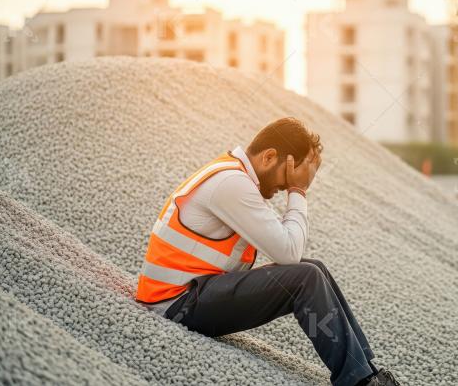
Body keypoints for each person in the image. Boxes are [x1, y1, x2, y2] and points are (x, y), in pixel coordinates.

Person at [136, 117, 400, 386]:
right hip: (174, 304)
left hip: (192, 293)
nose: (279, 191)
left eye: (287, 188)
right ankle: (358, 383)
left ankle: (366, 371)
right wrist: (299, 190)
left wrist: (293, 184)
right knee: (305, 277)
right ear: (269, 157)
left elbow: (289, 250)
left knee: (315, 268)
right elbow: (288, 252)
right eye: (285, 182)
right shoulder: (231, 183)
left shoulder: (232, 174)